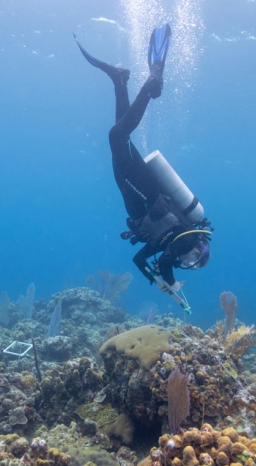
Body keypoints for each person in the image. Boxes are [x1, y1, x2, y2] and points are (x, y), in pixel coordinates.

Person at [75, 25, 212, 299]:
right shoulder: (185, 238)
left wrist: (155, 279)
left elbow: (139, 260)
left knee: (119, 135)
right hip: (145, 189)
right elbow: (165, 260)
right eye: (191, 261)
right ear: (197, 251)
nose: (185, 263)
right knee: (117, 136)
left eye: (187, 265)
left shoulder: (167, 248)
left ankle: (120, 80)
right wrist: (169, 282)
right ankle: (150, 85)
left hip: (131, 193)